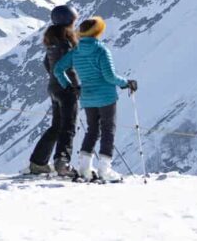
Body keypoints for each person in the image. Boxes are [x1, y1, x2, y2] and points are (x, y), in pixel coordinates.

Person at [52, 16, 136, 181]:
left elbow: (58, 69)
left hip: (87, 96)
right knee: (108, 130)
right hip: (106, 96)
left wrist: (70, 86)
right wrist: (126, 83)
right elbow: (109, 76)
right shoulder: (101, 50)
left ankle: (85, 168)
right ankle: (105, 169)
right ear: (98, 31)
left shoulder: (76, 51)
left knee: (92, 130)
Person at [27, 5, 80, 177]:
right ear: (69, 20)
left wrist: (55, 79)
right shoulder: (65, 42)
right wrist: (71, 85)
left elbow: (47, 63)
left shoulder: (53, 41)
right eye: (74, 20)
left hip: (54, 88)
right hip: (66, 89)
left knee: (57, 126)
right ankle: (62, 163)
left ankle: (38, 162)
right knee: (68, 126)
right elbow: (63, 68)